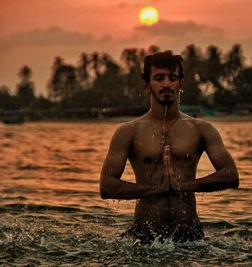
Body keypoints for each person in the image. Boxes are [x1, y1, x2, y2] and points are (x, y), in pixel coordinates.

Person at [100, 50, 239, 244]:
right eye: (158, 78)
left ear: (180, 84)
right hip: (144, 235)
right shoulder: (128, 132)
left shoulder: (201, 129)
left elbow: (231, 175)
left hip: (190, 235)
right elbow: (106, 186)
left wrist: (184, 187)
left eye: (172, 78)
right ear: (147, 86)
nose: (166, 83)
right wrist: (155, 189)